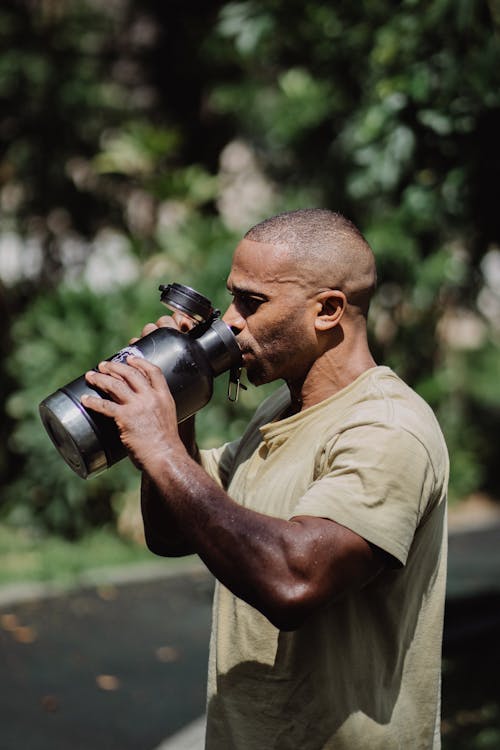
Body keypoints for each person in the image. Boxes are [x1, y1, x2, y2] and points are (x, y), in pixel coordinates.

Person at [82, 208, 449, 750]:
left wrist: (161, 448)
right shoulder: (277, 411)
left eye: (251, 303)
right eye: (232, 298)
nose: (229, 320)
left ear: (327, 311)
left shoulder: (387, 429)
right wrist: (178, 409)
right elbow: (175, 531)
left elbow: (293, 582)